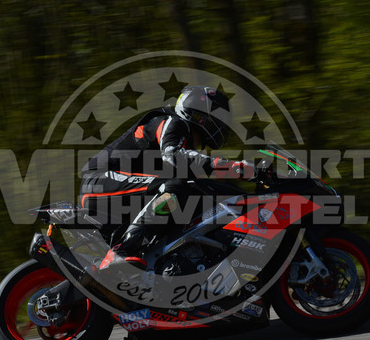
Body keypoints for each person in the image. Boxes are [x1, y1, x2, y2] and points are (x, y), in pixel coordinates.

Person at [80, 85, 254, 272]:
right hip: (98, 181)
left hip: (123, 192)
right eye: (218, 116)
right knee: (175, 187)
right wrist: (233, 167)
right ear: (201, 112)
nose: (222, 123)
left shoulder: (185, 142)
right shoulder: (173, 122)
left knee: (191, 192)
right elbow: (173, 155)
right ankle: (123, 250)